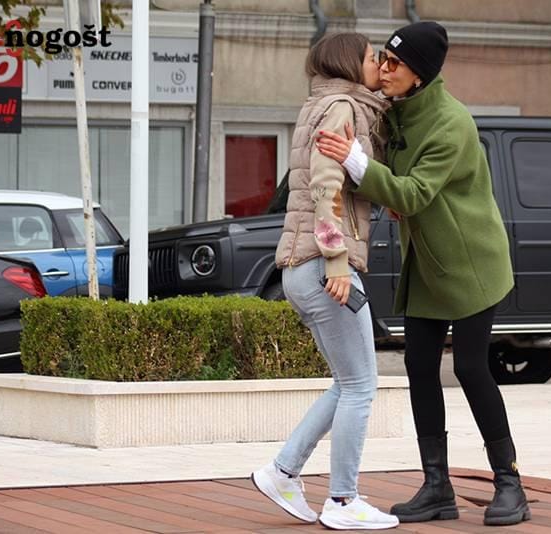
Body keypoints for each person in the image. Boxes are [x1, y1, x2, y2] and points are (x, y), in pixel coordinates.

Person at [316, 21, 531, 526]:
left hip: (471, 262)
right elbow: (395, 184)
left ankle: (510, 483)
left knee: (471, 367)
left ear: (421, 73)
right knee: (418, 366)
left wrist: (356, 162)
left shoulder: (452, 123)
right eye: (383, 58)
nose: (384, 69)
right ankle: (437, 487)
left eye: (395, 63)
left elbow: (412, 193)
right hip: (428, 261)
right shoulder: (397, 112)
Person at [250, 33, 399, 531]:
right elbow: (325, 187)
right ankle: (342, 500)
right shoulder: (342, 108)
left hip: (302, 268)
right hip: (324, 266)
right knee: (361, 387)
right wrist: (337, 260)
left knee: (347, 383)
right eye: (373, 57)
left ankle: (282, 472)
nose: (380, 63)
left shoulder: (325, 104)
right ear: (350, 64)